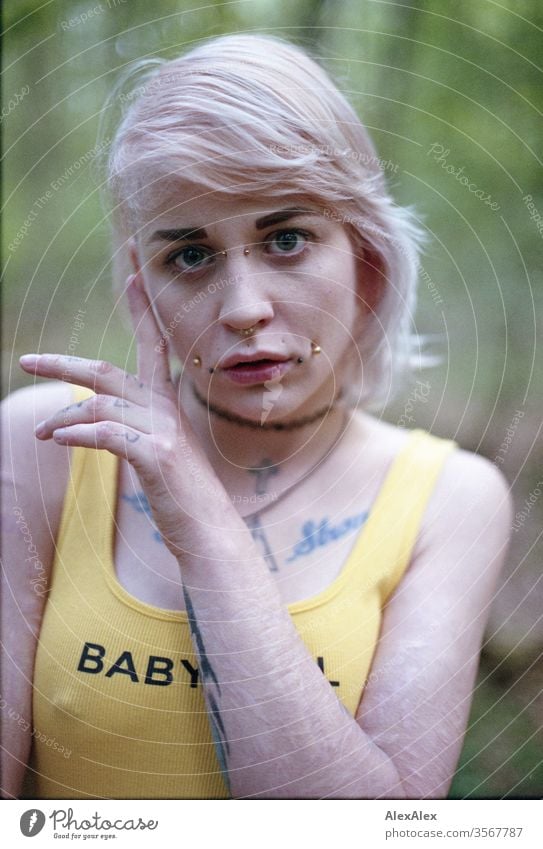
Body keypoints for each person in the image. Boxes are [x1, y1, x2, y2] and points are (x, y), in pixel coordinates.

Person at [1, 33, 512, 800]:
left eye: (286, 238)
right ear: (141, 282)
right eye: (191, 255)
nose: (242, 308)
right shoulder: (48, 445)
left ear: (365, 262)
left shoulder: (450, 498)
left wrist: (202, 523)